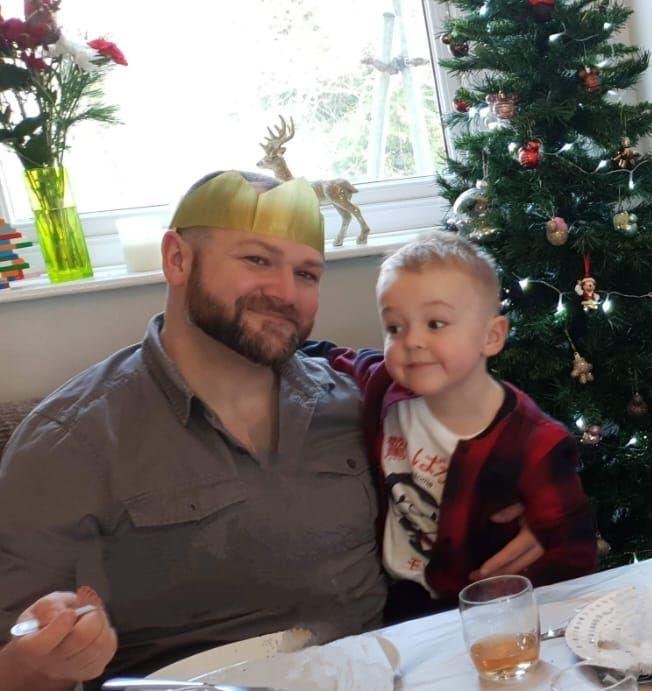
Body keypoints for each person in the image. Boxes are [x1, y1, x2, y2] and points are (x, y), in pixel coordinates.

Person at [0, 171, 538, 686]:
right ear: (177, 258)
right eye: (258, 260)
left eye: (306, 274)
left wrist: (534, 502)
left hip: (386, 673)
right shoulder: (69, 442)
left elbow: (474, 456)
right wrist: (46, 660)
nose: (286, 292)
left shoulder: (356, 400)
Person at [304, 231, 597, 623]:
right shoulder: (385, 389)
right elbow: (336, 358)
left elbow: (572, 549)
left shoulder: (533, 443)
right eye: (394, 327)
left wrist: (522, 595)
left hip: (490, 611)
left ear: (491, 336)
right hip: (399, 601)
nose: (412, 342)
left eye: (436, 323)